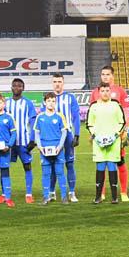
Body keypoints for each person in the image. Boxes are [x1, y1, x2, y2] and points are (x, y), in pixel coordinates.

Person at [91, 65, 129, 201]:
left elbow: (126, 112)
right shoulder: (95, 92)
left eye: (108, 74)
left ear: (112, 75)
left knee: (120, 162)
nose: (105, 76)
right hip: (101, 135)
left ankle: (123, 192)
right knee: (101, 163)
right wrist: (93, 134)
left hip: (117, 135)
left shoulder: (120, 91)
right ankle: (101, 193)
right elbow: (93, 114)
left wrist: (125, 130)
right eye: (103, 74)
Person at [87, 83, 127, 204]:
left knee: (111, 167)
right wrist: (96, 137)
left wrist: (114, 136)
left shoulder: (116, 105)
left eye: (107, 90)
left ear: (110, 91)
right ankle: (98, 196)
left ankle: (114, 197)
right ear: (99, 92)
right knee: (100, 168)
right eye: (103, 90)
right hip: (99, 143)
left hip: (113, 143)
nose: (105, 93)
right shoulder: (94, 106)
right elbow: (89, 124)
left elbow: (122, 122)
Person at [46, 73, 80, 202]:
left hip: (68, 136)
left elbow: (76, 116)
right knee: (53, 163)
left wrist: (77, 134)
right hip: (52, 137)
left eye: (59, 81)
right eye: (55, 81)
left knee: (70, 164)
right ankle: (52, 192)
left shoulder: (70, 98)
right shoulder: (48, 98)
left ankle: (71, 192)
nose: (57, 84)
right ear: (52, 83)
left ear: (63, 83)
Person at [6, 78, 39, 203]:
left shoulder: (28, 103)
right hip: (8, 142)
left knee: (27, 167)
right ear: (11, 87)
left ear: (23, 88)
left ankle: (29, 194)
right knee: (4, 167)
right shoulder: (6, 103)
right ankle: (5, 194)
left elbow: (32, 121)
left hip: (23, 141)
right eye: (14, 85)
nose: (16, 87)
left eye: (19, 86)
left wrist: (32, 139)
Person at [33, 93, 69, 205]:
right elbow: (37, 133)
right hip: (44, 149)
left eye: (53, 101)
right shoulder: (40, 117)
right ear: (44, 102)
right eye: (49, 101)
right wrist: (39, 146)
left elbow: (64, 132)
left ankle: (64, 197)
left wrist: (60, 146)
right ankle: (45, 197)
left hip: (57, 149)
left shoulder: (59, 116)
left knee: (60, 172)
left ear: (55, 103)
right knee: (46, 174)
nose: (51, 103)